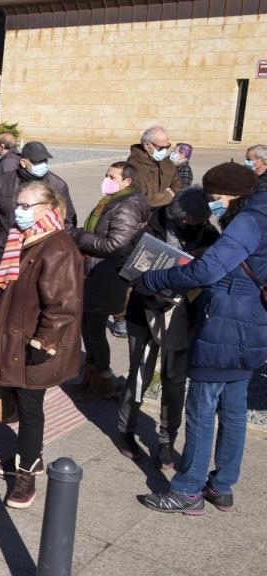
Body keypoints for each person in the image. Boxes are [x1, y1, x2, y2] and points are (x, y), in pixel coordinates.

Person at [140, 163, 266, 515]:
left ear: (233, 195)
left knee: (201, 409)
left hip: (226, 325)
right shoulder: (262, 213)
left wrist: (153, 279)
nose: (213, 204)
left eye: (214, 197)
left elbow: (207, 270)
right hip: (254, 323)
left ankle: (188, 489)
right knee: (234, 409)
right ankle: (222, 486)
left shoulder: (247, 221)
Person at [0, 179, 83, 509]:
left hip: (36, 344)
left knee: (30, 410)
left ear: (48, 209)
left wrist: (43, 343)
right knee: (21, 402)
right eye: (18, 204)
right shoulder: (28, 237)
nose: (19, 211)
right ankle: (30, 454)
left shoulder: (57, 247)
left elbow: (64, 305)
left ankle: (26, 472)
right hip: (19, 337)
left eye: (26, 206)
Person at [118, 187, 219, 469]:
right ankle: (125, 430)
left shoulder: (208, 233)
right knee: (139, 374)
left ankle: (166, 439)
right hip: (144, 311)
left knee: (174, 380)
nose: (192, 226)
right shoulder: (149, 227)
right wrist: (146, 283)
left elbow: (214, 272)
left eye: (197, 222)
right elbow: (123, 266)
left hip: (184, 315)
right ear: (177, 216)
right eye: (187, 222)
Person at [71, 162, 150, 403]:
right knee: (88, 326)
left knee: (94, 329)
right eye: (106, 174)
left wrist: (80, 237)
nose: (106, 179)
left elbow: (115, 244)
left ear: (127, 182)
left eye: (112, 177)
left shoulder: (127, 206)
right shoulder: (113, 201)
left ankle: (102, 379)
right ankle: (92, 376)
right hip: (95, 271)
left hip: (106, 275)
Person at [0, 140, 77, 264]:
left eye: (45, 161)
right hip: (7, 250)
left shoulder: (58, 185)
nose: (42, 164)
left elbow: (68, 221)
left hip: (41, 254)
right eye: (37, 162)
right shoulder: (4, 181)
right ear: (23, 162)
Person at [128, 126, 182, 209]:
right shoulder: (134, 166)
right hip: (144, 215)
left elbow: (179, 188)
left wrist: (160, 198)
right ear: (147, 145)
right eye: (161, 148)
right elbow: (144, 199)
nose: (164, 151)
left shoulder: (168, 163)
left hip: (165, 213)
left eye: (167, 147)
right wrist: (169, 194)